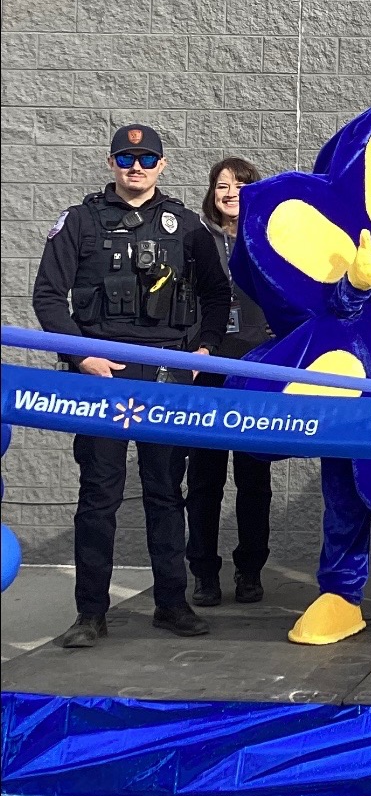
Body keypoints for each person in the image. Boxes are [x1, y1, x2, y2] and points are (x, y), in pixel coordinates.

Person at [30, 124, 231, 648]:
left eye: (145, 159)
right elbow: (48, 295)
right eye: (125, 158)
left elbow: (216, 294)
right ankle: (90, 614)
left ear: (161, 165)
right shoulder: (80, 221)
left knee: (166, 491)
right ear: (111, 163)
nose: (135, 167)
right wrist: (82, 354)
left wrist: (204, 350)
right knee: (99, 495)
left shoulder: (187, 226)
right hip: (104, 374)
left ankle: (172, 604)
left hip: (165, 375)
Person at [185, 157, 273, 608]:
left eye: (240, 185)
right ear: (211, 193)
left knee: (253, 480)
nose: (230, 193)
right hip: (207, 371)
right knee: (204, 481)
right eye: (222, 185)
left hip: (257, 370)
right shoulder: (195, 238)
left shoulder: (270, 240)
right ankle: (203, 573)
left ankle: (249, 570)